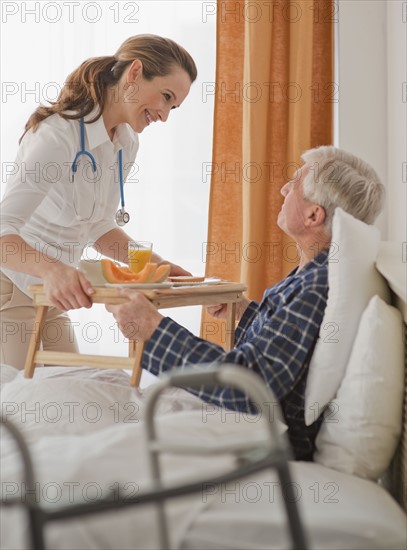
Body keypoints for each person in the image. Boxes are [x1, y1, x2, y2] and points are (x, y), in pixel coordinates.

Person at [106, 146, 385, 461]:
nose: (283, 188)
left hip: (266, 446)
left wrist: (153, 329)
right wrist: (245, 312)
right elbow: (284, 348)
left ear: (313, 215)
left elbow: (250, 386)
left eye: (294, 182)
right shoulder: (313, 276)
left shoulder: (317, 287)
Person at [0, 34, 197, 369]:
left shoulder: (125, 142)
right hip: (11, 287)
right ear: (135, 72)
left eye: (173, 107)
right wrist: (54, 270)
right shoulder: (57, 135)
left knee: (71, 398)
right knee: (19, 407)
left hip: (54, 295)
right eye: (166, 97)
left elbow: (99, 226)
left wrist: (151, 264)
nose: (164, 115)